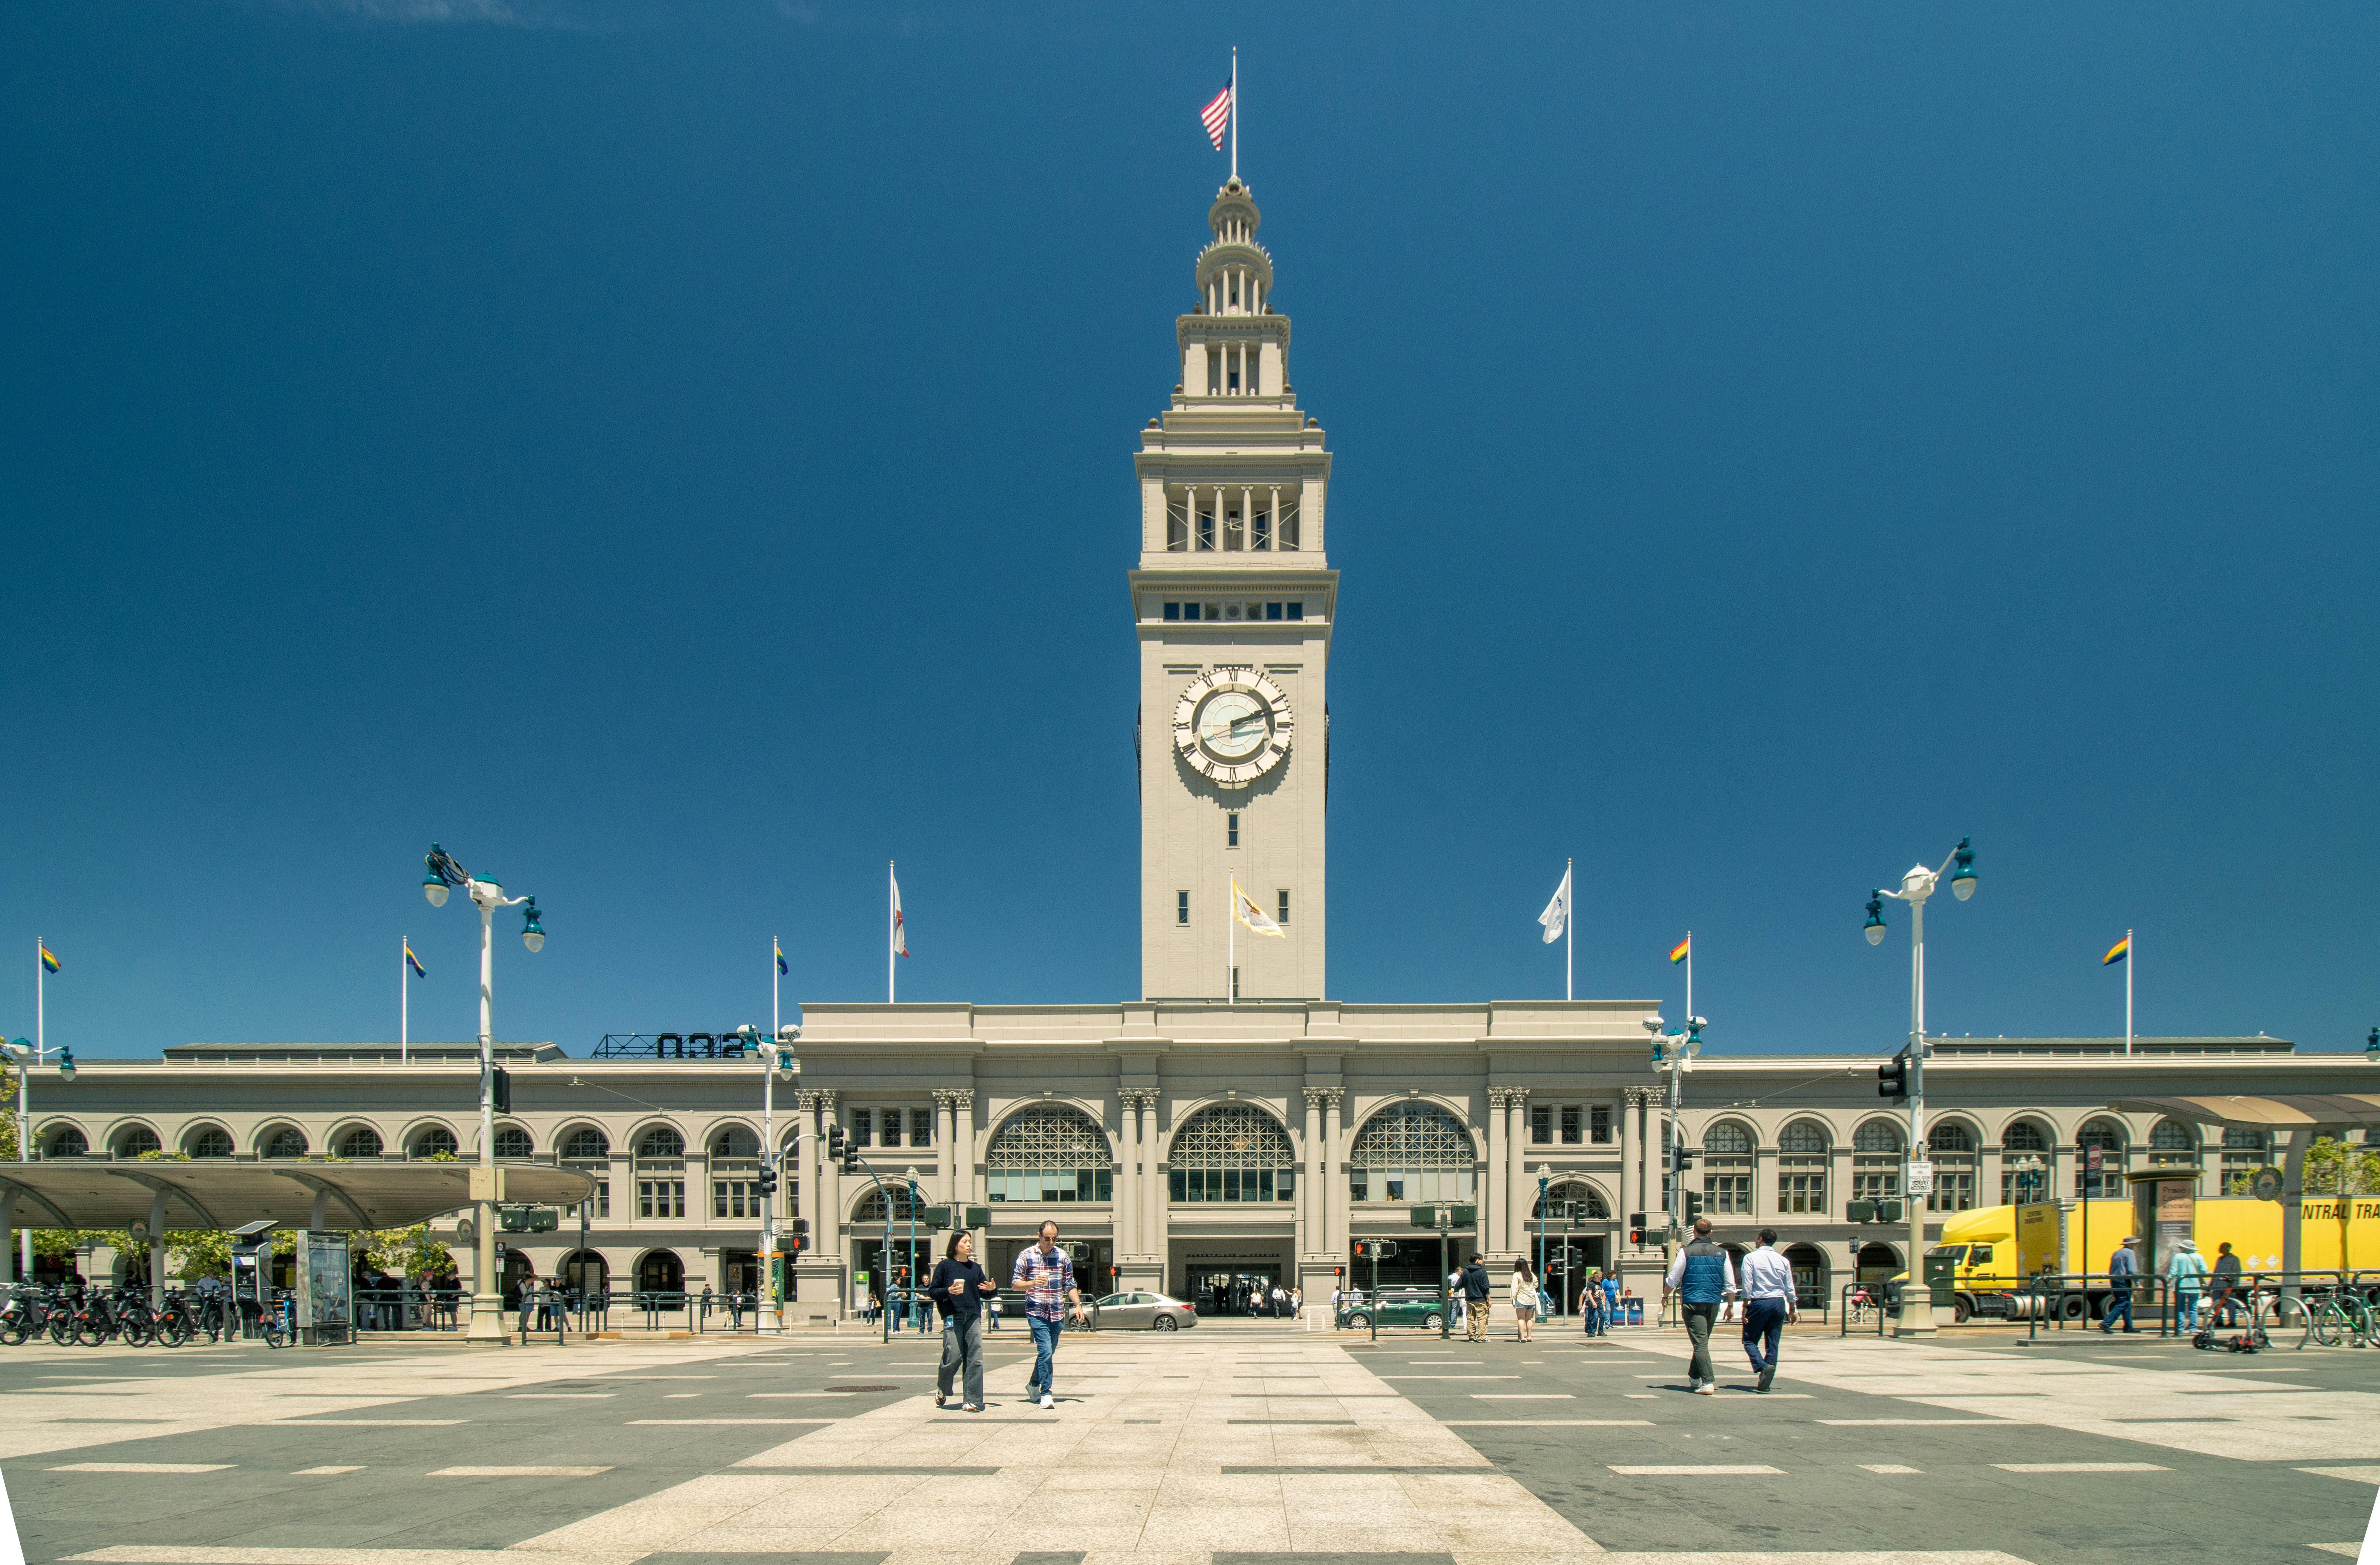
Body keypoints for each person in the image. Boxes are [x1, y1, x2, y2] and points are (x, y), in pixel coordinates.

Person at [1011, 1219, 1085, 1409]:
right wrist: (1033, 1283)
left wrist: (1078, 1304)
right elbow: (1015, 1285)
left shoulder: (1062, 1256)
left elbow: (1069, 1283)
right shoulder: (1026, 1255)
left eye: (1054, 1238)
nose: (1051, 1242)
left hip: (1057, 1312)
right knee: (1044, 1351)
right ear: (1039, 1236)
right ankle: (1046, 1393)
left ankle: (1033, 1384)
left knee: (1048, 1353)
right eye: (1047, 1238)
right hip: (1036, 1310)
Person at [1664, 1217, 1737, 1394]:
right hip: (1713, 1302)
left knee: (1700, 1343)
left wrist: (1665, 1295)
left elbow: (1674, 1278)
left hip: (1692, 1301)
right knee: (1702, 1341)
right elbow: (1730, 1284)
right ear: (1711, 1233)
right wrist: (1730, 1306)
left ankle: (1708, 1382)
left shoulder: (1686, 1251)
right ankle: (1695, 1377)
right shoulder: (1722, 1253)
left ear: (1695, 1232)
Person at [930, 1230, 997, 1412]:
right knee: (953, 1356)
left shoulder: (975, 1268)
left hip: (973, 1316)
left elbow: (985, 1292)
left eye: (970, 1242)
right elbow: (933, 1291)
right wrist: (948, 1291)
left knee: (975, 1359)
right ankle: (943, 1387)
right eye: (965, 1242)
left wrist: (992, 1289)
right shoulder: (945, 1266)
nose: (969, 1245)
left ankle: (972, 1400)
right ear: (955, 1245)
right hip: (953, 1316)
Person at [1738, 1228, 1794, 1393]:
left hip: (1759, 1302)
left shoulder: (1750, 1258)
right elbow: (1789, 1286)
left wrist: (1745, 1306)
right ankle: (1766, 1381)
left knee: (1749, 1340)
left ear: (1761, 1239)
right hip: (1778, 1303)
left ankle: (1763, 1367)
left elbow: (1747, 1284)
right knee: (1773, 1343)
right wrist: (1793, 1308)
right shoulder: (1783, 1260)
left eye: (1757, 1238)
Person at [2166, 1236, 2209, 1331]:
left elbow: (2174, 1271)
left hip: (2180, 1286)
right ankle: (2193, 1328)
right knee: (2193, 1308)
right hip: (2195, 1286)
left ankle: (2180, 1328)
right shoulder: (2199, 1257)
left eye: (2181, 1248)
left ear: (2185, 1248)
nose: (2180, 1249)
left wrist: (2168, 1281)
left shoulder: (2178, 1257)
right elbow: (2204, 1270)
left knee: (2180, 1308)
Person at [2101, 1236, 2140, 1334]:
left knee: (2126, 1303)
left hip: (2115, 1280)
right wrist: (2138, 1284)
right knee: (2123, 1302)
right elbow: (2132, 1270)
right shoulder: (2130, 1253)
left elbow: (2111, 1269)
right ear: (2131, 1244)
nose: (2136, 1246)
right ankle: (2106, 1323)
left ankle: (2128, 1327)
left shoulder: (2117, 1253)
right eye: (2135, 1244)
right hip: (2124, 1280)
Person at [2208, 1241, 2243, 1328]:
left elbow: (2237, 1273)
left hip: (2228, 1286)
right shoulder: (2219, 1259)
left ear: (2227, 1249)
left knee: (2230, 1303)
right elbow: (2215, 1272)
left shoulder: (2234, 1259)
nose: (2219, 1249)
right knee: (2216, 1303)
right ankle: (2219, 1321)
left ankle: (2232, 1321)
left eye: (2222, 1247)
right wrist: (2211, 1284)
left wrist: (2234, 1286)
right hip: (2217, 1285)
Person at [1459, 1253, 1492, 1343]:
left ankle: (1472, 1336)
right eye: (1482, 1260)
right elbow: (1486, 1287)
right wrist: (1489, 1299)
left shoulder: (1466, 1272)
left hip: (1470, 1299)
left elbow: (1459, 1284)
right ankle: (1481, 1337)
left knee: (1470, 1318)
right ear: (1477, 1260)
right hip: (1481, 1299)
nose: (1483, 1261)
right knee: (1482, 1318)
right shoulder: (1482, 1272)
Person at [1510, 1259, 1540, 1343]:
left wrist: (1513, 1299)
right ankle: (1529, 1336)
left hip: (1521, 1299)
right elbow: (1536, 1285)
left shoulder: (1517, 1275)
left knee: (1521, 1319)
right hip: (1531, 1300)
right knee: (1529, 1319)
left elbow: (1515, 1289)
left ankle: (1522, 1337)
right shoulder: (1531, 1274)